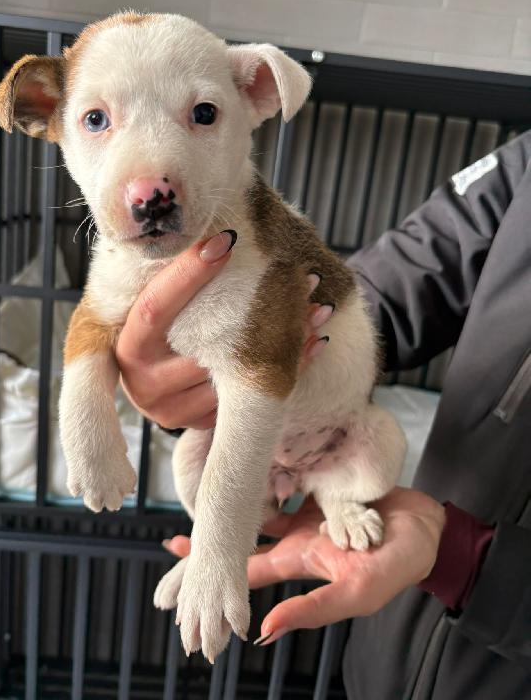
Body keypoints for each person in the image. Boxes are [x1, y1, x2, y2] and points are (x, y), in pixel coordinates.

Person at [115, 132, 531, 699]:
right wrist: (197, 375)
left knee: (373, 451)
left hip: (490, 658)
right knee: (194, 461)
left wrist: (468, 558)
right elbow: (382, 289)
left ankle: (334, 498)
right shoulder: (524, 164)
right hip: (387, 660)